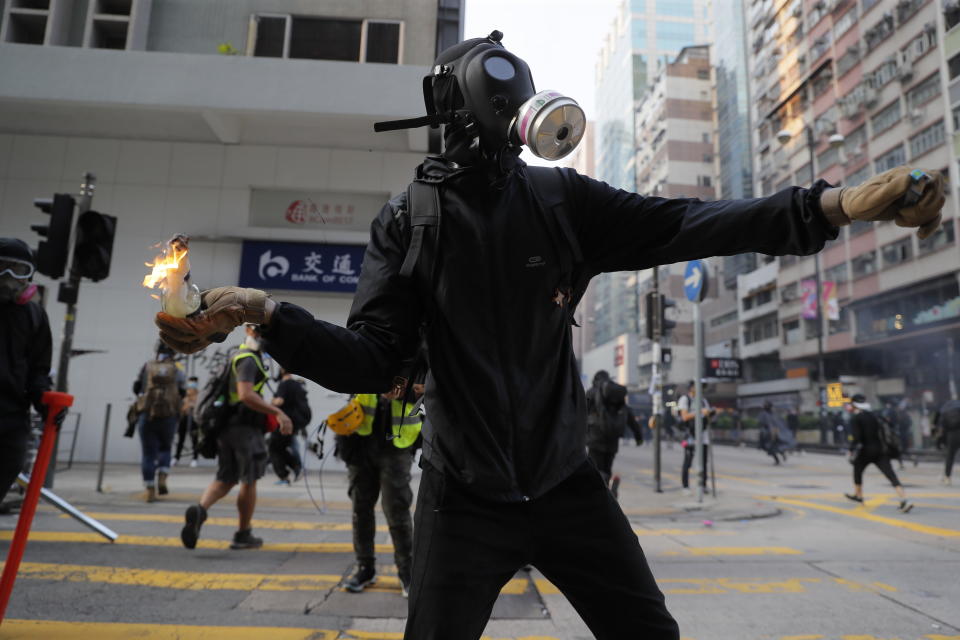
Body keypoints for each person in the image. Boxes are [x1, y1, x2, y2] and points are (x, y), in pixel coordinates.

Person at [154, 31, 943, 640]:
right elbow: (368, 361)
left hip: (568, 488)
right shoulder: (411, 222)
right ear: (457, 107)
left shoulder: (564, 202)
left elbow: (689, 224)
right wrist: (265, 310)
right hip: (462, 499)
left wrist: (831, 206)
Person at [179, 324, 292, 550]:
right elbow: (245, 394)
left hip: (227, 428)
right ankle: (243, 533)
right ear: (249, 331)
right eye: (259, 331)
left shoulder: (236, 355)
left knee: (226, 479)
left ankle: (200, 512)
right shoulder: (248, 359)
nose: (263, 336)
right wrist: (278, 412)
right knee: (249, 480)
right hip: (245, 431)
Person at [336, 384, 422, 597]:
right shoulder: (363, 350)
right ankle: (365, 567)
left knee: (397, 510)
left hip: (396, 444)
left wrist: (406, 390)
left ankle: (407, 573)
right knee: (361, 509)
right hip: (361, 438)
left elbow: (431, 387)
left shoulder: (418, 353)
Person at [0, 238, 52, 508]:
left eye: (17, 270)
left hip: (12, 415)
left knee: (9, 465)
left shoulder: (34, 315)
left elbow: (38, 368)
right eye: (2, 267)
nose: (8, 277)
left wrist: (44, 398)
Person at [132, 342, 185, 502]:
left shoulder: (147, 366)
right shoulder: (177, 368)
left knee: (148, 454)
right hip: (169, 415)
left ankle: (150, 490)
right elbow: (182, 391)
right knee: (165, 448)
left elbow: (136, 388)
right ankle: (162, 476)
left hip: (147, 415)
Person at [844, 394, 913, 513]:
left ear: (854, 405)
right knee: (891, 475)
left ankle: (859, 495)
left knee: (857, 470)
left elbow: (857, 438)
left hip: (865, 451)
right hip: (880, 450)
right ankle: (904, 499)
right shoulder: (875, 415)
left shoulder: (856, 418)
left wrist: (850, 450)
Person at [585, 370, 640, 497]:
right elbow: (628, 414)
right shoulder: (615, 395)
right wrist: (638, 436)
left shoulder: (591, 392)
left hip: (595, 438)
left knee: (595, 470)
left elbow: (582, 413)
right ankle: (609, 485)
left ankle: (604, 488)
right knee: (606, 467)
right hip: (612, 439)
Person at [269, 368, 311, 485]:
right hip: (296, 422)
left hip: (284, 422)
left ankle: (285, 475)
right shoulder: (297, 385)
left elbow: (279, 401)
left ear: (282, 371)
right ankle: (295, 469)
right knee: (281, 447)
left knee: (274, 448)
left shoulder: (284, 384)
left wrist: (272, 401)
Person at [677, 381, 712, 496]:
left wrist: (710, 413)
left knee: (704, 461)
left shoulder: (703, 400)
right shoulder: (685, 399)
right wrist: (700, 411)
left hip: (703, 435)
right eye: (698, 387)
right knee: (688, 461)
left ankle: (703, 485)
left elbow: (707, 414)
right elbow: (685, 416)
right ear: (691, 387)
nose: (700, 389)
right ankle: (685, 486)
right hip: (690, 435)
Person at [174, 376, 199, 467]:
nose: (192, 384)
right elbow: (181, 407)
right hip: (184, 418)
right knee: (181, 439)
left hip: (193, 419)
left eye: (194, 382)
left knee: (194, 440)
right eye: (191, 382)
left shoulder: (199, 394)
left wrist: (192, 403)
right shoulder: (184, 394)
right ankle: (176, 458)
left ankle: (195, 458)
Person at [934, 396, 960, 485]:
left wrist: (940, 440)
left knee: (950, 457)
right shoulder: (958, 407)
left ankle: (947, 477)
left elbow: (941, 427)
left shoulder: (944, 411)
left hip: (951, 436)